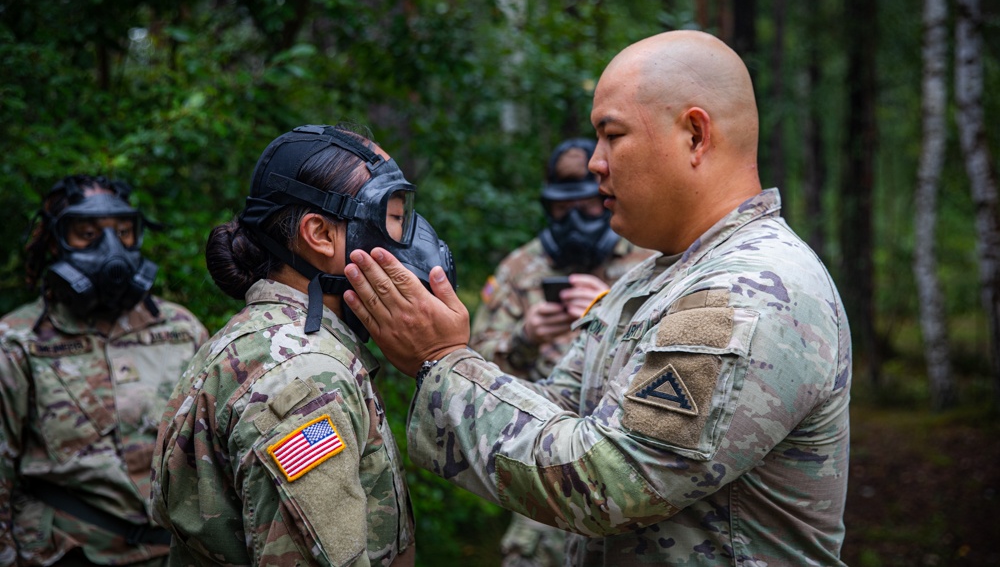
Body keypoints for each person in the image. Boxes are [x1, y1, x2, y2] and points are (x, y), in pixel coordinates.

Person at [342, 31, 853, 566]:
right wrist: (448, 356)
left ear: (695, 135)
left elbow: (609, 482)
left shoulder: (749, 290)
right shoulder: (650, 280)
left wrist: (443, 363)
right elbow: (559, 410)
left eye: (612, 135)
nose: (594, 164)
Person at [151, 125, 455, 566]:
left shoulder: (268, 344)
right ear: (320, 234)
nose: (411, 236)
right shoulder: (305, 377)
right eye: (394, 216)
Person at [0, 175, 209, 566]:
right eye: (87, 233)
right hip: (65, 551)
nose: (111, 248)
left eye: (124, 232)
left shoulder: (181, 329)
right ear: (54, 241)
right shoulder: (18, 342)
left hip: (173, 553)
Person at [469, 139, 652, 567]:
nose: (574, 219)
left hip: (635, 458)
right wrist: (524, 337)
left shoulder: (647, 259)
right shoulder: (520, 268)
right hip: (548, 460)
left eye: (587, 205)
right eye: (561, 208)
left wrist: (614, 310)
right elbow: (472, 370)